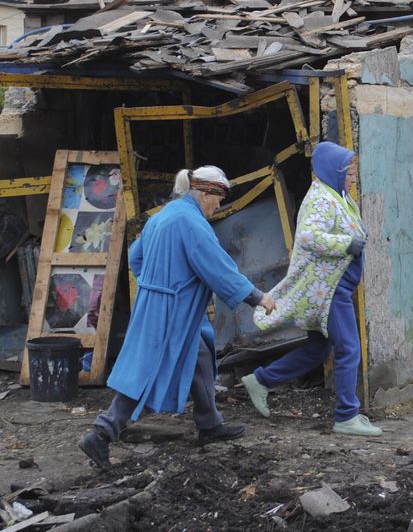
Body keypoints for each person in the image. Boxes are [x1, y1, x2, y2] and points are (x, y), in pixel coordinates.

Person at [79, 165, 276, 469]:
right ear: (204, 192)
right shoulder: (191, 223)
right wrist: (258, 297)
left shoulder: (164, 215)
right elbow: (219, 269)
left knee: (198, 356)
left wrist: (156, 285)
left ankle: (209, 424)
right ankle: (102, 433)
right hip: (172, 311)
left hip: (162, 304)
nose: (219, 205)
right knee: (149, 370)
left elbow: (136, 257)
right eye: (218, 198)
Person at [242, 141, 381, 437]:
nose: (354, 177)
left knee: (319, 349)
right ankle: (346, 416)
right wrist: (345, 243)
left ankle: (261, 380)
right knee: (348, 348)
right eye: (349, 172)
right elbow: (307, 237)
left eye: (354, 172)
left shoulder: (338, 195)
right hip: (329, 291)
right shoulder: (320, 198)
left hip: (333, 288)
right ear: (333, 170)